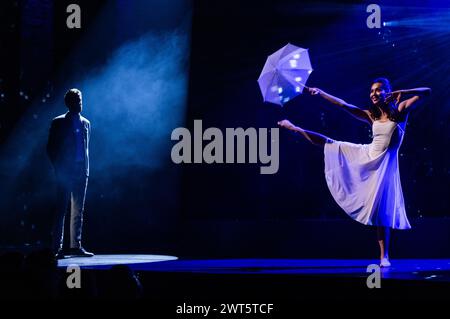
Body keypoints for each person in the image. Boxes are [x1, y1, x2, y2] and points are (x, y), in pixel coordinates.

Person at [278, 78, 431, 267]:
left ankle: (384, 256)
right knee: (332, 144)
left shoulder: (400, 110)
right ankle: (295, 128)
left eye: (378, 90)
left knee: (380, 211)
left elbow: (427, 91)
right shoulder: (371, 116)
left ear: (388, 92)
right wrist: (320, 93)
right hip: (367, 156)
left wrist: (403, 91)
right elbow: (344, 105)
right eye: (372, 91)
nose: (374, 93)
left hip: (385, 164)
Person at [47, 88, 94, 258]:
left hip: (82, 170)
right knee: (61, 209)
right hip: (65, 171)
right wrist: (59, 168)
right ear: (69, 103)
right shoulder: (58, 122)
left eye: (80, 100)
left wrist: (86, 169)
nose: (79, 104)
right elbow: (51, 147)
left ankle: (76, 246)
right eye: (76, 100)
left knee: (78, 210)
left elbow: (85, 148)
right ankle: (56, 248)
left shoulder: (86, 123)